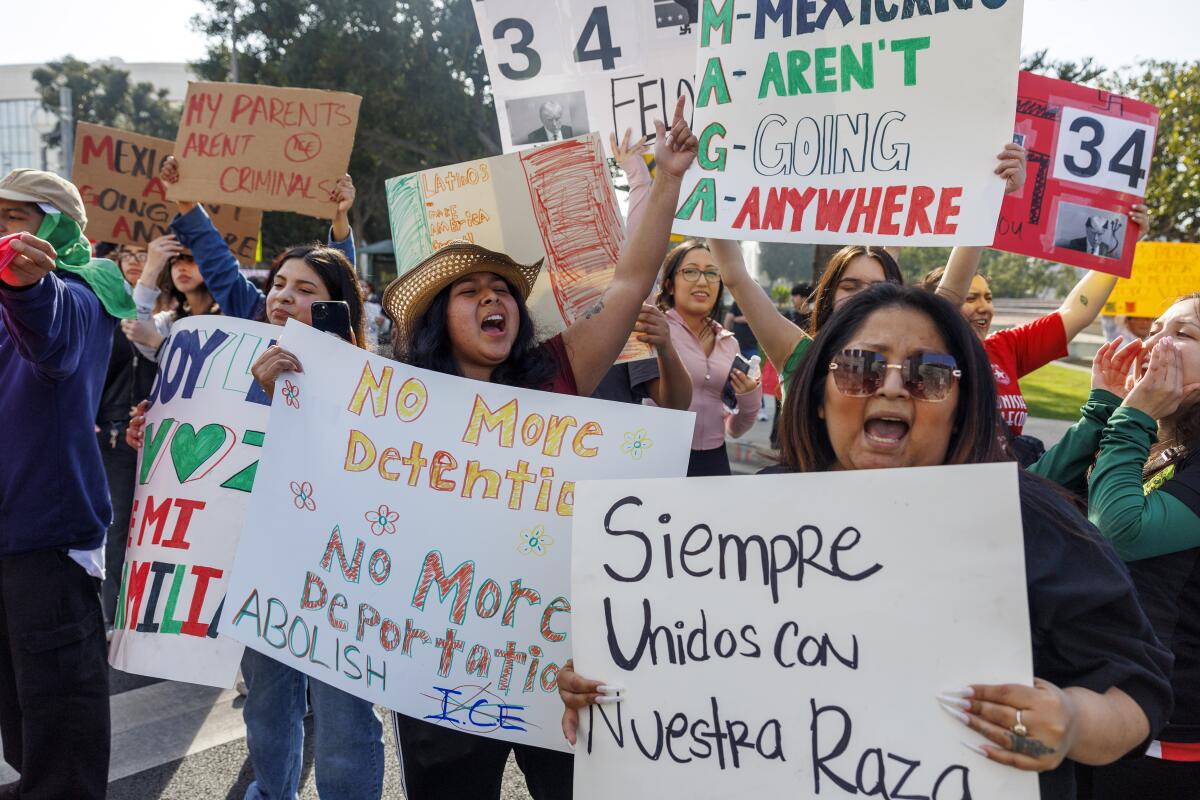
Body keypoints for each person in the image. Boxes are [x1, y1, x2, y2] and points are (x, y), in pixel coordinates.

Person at [558, 283, 1174, 800]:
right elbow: (672, 660)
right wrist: (611, 691)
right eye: (860, 366)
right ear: (821, 397)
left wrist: (1068, 722)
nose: (893, 388)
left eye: (931, 374)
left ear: (961, 404)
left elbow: (1138, 693)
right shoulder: (737, 521)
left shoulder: (1026, 521)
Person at [351, 98, 696, 800]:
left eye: (502, 290)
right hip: (444, 671)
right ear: (441, 320)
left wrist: (665, 182)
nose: (492, 299)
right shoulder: (402, 405)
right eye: (471, 291)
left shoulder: (563, 370)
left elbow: (629, 282)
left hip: (563, 666)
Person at [128, 162, 376, 800]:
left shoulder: (360, 371)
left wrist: (342, 225)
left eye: (303, 288)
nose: (282, 296)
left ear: (331, 307)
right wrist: (160, 431)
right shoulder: (239, 340)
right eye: (279, 283)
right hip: (254, 558)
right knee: (267, 699)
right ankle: (273, 791)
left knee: (343, 710)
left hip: (333, 566)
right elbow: (218, 264)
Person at [0, 168, 136, 798]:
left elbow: (52, 339)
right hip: (7, 535)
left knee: (61, 710)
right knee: (19, 706)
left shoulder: (82, 291)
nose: (1, 232)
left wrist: (30, 287)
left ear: (54, 226)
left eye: (14, 218)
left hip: (48, 539)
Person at [1031, 296, 1200, 797]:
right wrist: (1102, 410)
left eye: (1184, 333)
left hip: (1165, 736)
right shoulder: (1152, 437)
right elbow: (1034, 500)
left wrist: (1134, 416)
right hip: (1093, 706)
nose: (1154, 343)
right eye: (1155, 328)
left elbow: (1120, 531)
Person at [713, 143, 1027, 394]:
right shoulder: (800, 356)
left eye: (876, 288)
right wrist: (703, 180)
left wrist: (991, 192)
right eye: (850, 286)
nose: (863, 297)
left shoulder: (917, 347)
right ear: (829, 297)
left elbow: (953, 288)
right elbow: (736, 276)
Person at [919, 203, 1151, 436]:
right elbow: (948, 300)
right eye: (970, 298)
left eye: (988, 298)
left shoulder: (1004, 348)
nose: (984, 307)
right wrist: (984, 206)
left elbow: (1076, 312)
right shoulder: (929, 352)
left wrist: (1120, 248)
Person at [96, 244, 160, 634]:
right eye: (129, 254)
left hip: (161, 435)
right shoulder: (103, 306)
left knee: (156, 528)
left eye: (145, 254)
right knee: (117, 527)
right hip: (115, 435)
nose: (136, 260)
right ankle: (112, 614)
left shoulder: (170, 313)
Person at [657, 239, 762, 475]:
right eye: (691, 272)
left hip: (714, 461)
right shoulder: (656, 332)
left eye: (712, 273)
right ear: (669, 285)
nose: (703, 281)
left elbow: (735, 429)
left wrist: (749, 397)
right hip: (661, 457)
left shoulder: (729, 343)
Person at [121, 234, 219, 360]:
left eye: (190, 260)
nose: (181, 268)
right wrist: (152, 267)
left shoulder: (229, 317)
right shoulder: (170, 320)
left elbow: (207, 368)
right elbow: (136, 322)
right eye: (174, 261)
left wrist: (155, 340)